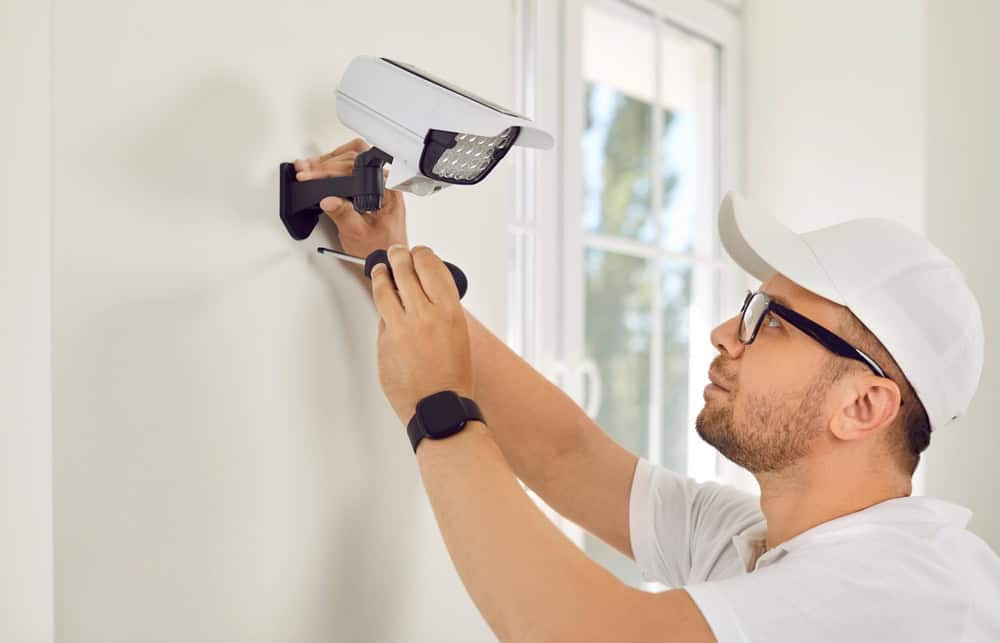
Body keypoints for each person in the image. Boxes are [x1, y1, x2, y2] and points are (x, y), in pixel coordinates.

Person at [294, 139, 1000, 642]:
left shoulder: (902, 590)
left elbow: (577, 632)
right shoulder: (761, 539)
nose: (726, 331)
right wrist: (388, 264)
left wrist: (438, 410)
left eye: (770, 322)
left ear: (864, 405)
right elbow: (572, 457)